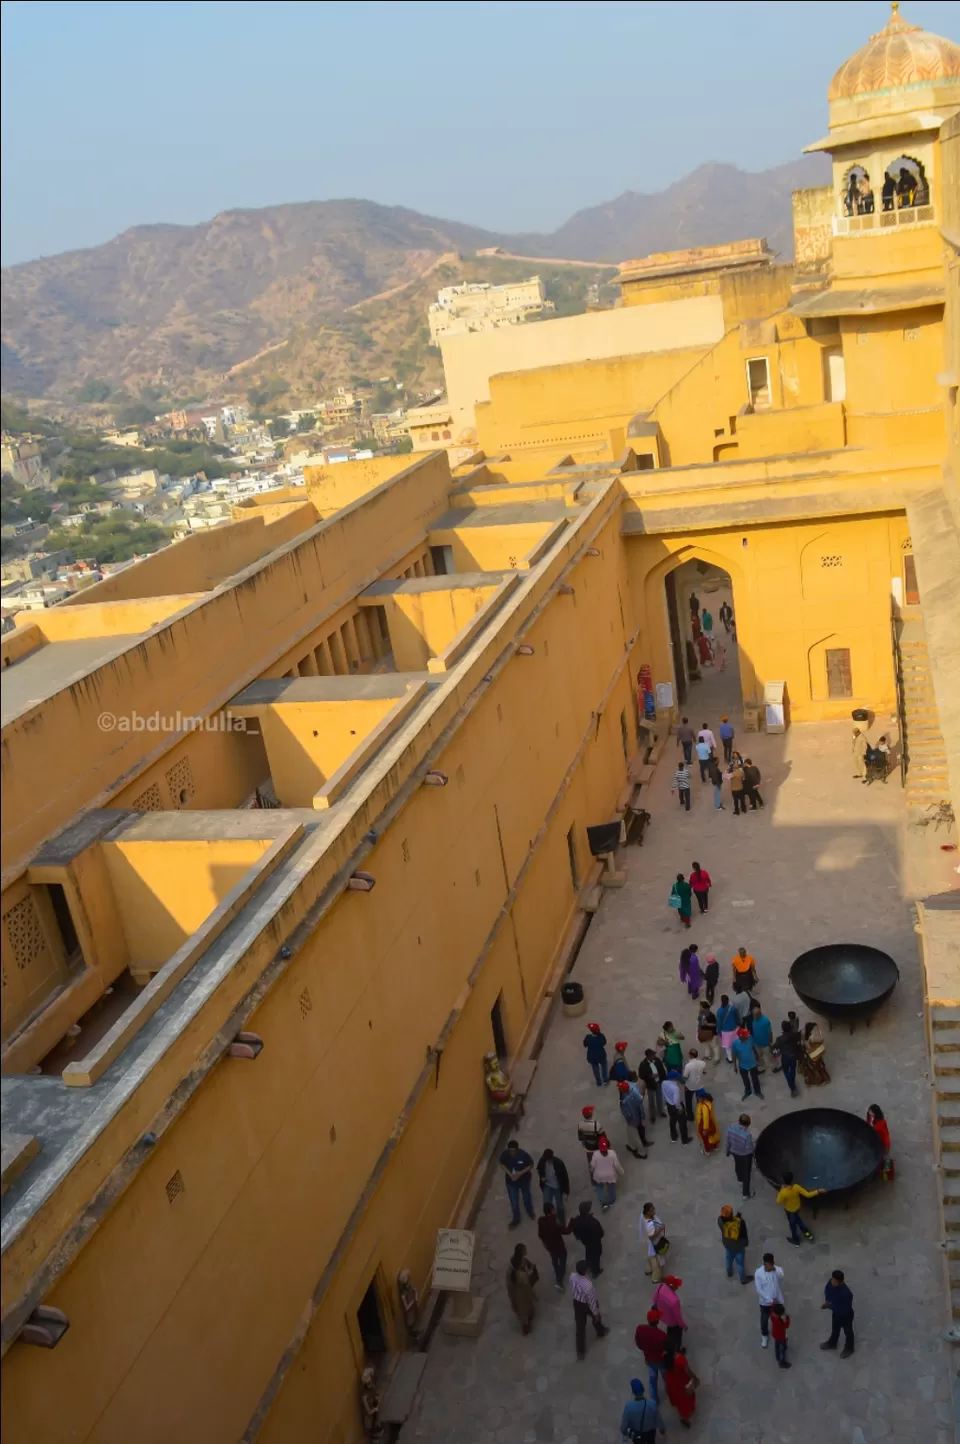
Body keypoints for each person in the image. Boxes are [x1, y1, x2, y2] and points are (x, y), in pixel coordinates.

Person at [570, 1258, 609, 1360]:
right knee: (596, 1318)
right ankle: (601, 1331)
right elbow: (591, 1301)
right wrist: (595, 1313)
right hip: (586, 1304)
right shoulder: (588, 1285)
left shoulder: (572, 1276)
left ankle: (580, 1351)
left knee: (580, 1327)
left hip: (576, 1303)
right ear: (585, 1271)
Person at [777, 1170, 823, 1244]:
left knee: (793, 1226)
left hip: (790, 1210)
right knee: (798, 1220)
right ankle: (808, 1235)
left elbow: (778, 1201)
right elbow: (808, 1195)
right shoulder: (796, 1187)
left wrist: (782, 1189)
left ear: (783, 1180)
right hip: (797, 1208)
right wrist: (818, 1191)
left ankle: (796, 1240)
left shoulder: (784, 1192)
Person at [634, 1309, 668, 1407]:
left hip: (649, 1359)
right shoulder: (661, 1335)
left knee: (652, 1379)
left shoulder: (640, 1329)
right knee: (666, 1377)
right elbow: (665, 1348)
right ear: (657, 1321)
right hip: (660, 1360)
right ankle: (670, 1392)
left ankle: (654, 1400)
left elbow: (638, 1344)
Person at [500, 1139, 536, 1228]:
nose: (511, 1153)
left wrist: (520, 1173)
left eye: (513, 1151)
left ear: (517, 1149)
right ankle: (516, 1218)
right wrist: (509, 1174)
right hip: (511, 1182)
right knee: (514, 1202)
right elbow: (501, 1164)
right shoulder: (505, 1155)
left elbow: (531, 1165)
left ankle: (530, 1211)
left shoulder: (523, 1155)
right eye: (510, 1151)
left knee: (526, 1197)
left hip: (524, 1181)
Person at [754, 1252, 785, 1350]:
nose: (767, 1268)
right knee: (764, 1320)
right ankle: (764, 1335)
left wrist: (775, 1270)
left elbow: (781, 1276)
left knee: (780, 1318)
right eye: (766, 1265)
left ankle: (783, 1333)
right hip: (765, 1303)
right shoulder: (758, 1273)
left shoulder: (777, 1270)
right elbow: (759, 1289)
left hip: (778, 1301)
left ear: (773, 1263)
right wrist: (770, 1299)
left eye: (769, 1265)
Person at [505, 1242, 538, 1334]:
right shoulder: (519, 1274)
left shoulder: (516, 1261)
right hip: (521, 1292)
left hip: (520, 1290)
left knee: (526, 1306)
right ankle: (525, 1327)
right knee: (523, 1309)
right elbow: (525, 1284)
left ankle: (530, 1316)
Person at [537, 1201, 571, 1289]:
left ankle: (558, 1274)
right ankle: (559, 1279)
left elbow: (540, 1235)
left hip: (549, 1246)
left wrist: (544, 1243)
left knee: (554, 1260)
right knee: (563, 1259)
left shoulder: (541, 1221)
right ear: (551, 1211)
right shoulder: (553, 1223)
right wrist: (572, 1222)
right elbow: (566, 1231)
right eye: (554, 1209)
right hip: (558, 1245)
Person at [619, 1378, 665, 1442]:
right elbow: (658, 1418)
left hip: (637, 1434)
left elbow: (624, 1425)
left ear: (633, 1392)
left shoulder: (629, 1407)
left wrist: (625, 1432)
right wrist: (661, 1428)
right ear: (643, 1390)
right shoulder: (652, 1404)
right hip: (650, 1433)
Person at [821, 1269, 855, 1357]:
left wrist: (829, 1305)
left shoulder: (846, 1294)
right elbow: (827, 1291)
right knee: (835, 1329)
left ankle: (849, 1348)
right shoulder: (830, 1283)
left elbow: (843, 1308)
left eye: (835, 1281)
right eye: (832, 1279)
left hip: (845, 1315)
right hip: (836, 1313)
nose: (832, 1282)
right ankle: (832, 1343)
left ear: (841, 1282)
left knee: (848, 1332)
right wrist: (828, 1301)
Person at [663, 1347, 698, 1430]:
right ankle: (685, 1416)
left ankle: (684, 1417)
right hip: (682, 1382)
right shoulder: (680, 1360)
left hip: (673, 1385)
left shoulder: (666, 1361)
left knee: (680, 1402)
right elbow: (688, 1371)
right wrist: (695, 1378)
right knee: (687, 1398)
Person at [651, 1275, 686, 1352]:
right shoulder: (675, 1301)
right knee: (677, 1335)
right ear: (672, 1286)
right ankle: (677, 1349)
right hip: (672, 1321)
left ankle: (669, 1344)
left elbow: (654, 1299)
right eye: (676, 1285)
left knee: (670, 1332)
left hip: (662, 1315)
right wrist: (683, 1325)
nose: (678, 1287)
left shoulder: (661, 1286)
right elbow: (678, 1316)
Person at [571, 1199, 605, 1277]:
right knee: (596, 1255)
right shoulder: (593, 1222)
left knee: (588, 1252)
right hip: (595, 1242)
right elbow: (601, 1233)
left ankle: (588, 1264)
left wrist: (578, 1237)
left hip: (585, 1241)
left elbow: (575, 1231)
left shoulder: (577, 1220)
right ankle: (596, 1271)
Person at [590, 1137, 624, 1211]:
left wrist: (592, 1171)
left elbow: (592, 1165)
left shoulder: (595, 1154)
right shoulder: (612, 1153)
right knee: (611, 1187)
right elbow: (617, 1165)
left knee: (599, 1188)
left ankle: (603, 1203)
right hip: (610, 1175)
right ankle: (612, 1200)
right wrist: (621, 1172)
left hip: (599, 1176)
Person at [536, 1148, 570, 1223]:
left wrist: (566, 1192)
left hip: (557, 1186)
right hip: (547, 1185)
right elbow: (539, 1169)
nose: (548, 1161)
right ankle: (550, 1221)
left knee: (560, 1205)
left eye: (549, 1159)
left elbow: (565, 1178)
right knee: (547, 1205)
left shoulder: (559, 1163)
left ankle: (562, 1222)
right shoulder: (542, 1161)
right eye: (547, 1159)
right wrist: (542, 1177)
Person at [718, 1204, 750, 1283]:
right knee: (740, 1264)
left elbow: (729, 1222)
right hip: (739, 1246)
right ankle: (743, 1279)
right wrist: (739, 1218)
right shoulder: (741, 1223)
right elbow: (743, 1234)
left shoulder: (720, 1221)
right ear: (732, 1214)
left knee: (729, 1259)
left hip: (728, 1245)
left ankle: (729, 1273)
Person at [618, 1080, 651, 1158]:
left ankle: (642, 1153)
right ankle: (631, 1145)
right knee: (630, 1132)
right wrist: (642, 1116)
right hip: (637, 1117)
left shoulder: (624, 1101)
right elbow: (640, 1106)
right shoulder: (634, 1094)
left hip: (632, 1120)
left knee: (635, 1136)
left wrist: (628, 1119)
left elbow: (626, 1113)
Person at [726, 1113, 755, 1198]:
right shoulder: (747, 1135)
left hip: (734, 1152)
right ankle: (745, 1194)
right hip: (745, 1155)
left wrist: (727, 1151)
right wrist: (753, 1154)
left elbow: (727, 1141)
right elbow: (749, 1148)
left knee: (738, 1165)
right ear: (747, 1124)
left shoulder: (730, 1128)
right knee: (747, 1173)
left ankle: (740, 1180)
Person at [733, 1028, 763, 1100]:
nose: (747, 1036)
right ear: (740, 1036)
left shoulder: (750, 1038)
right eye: (745, 1035)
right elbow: (734, 1055)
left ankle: (757, 1091)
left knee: (755, 1079)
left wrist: (757, 1056)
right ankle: (748, 1091)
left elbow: (753, 1047)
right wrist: (735, 1066)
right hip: (742, 1065)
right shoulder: (735, 1043)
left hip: (752, 1063)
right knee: (745, 1080)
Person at [642, 1201, 669, 1282]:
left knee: (651, 1258)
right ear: (647, 1212)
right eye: (652, 1210)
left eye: (654, 1209)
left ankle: (648, 1270)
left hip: (651, 1243)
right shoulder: (650, 1224)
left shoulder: (646, 1217)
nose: (654, 1211)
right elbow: (651, 1237)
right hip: (655, 1243)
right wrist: (660, 1229)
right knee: (659, 1261)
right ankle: (657, 1278)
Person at [662, 1069, 690, 1144]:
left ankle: (673, 1137)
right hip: (676, 1106)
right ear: (674, 1078)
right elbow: (677, 1101)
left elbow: (664, 1094)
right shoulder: (675, 1088)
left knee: (672, 1120)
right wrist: (680, 1109)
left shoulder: (664, 1083)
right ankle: (685, 1140)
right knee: (682, 1123)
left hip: (669, 1105)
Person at [774, 1019, 802, 1097]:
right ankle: (793, 1084)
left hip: (785, 1057)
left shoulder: (779, 1039)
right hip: (793, 1055)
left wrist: (775, 1054)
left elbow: (776, 1048)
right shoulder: (794, 1035)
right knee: (792, 1070)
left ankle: (793, 1087)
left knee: (786, 1072)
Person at [799, 1019, 830, 1085]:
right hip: (815, 1053)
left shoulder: (803, 1035)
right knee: (819, 1067)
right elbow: (822, 1040)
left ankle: (818, 1079)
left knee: (814, 1067)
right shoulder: (812, 1038)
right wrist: (820, 1032)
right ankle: (821, 1080)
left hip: (809, 1053)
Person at [639, 1050, 667, 1120]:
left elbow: (662, 1070)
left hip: (658, 1082)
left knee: (659, 1098)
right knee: (651, 1100)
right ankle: (652, 1115)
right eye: (652, 1055)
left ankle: (660, 1111)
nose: (654, 1056)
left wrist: (662, 1078)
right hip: (650, 1084)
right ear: (648, 1056)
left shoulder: (657, 1060)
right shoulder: (643, 1065)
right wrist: (650, 1076)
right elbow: (641, 1075)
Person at [577, 1105, 603, 1175]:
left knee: (591, 1164)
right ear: (591, 1114)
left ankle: (593, 1179)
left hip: (588, 1148)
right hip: (597, 1147)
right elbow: (602, 1136)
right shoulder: (596, 1124)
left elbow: (580, 1138)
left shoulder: (580, 1125)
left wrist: (585, 1145)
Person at [748, 1003, 774, 1072]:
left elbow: (770, 1033)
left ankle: (774, 1066)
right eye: (754, 1015)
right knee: (759, 1056)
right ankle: (762, 1067)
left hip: (765, 1044)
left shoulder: (765, 1021)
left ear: (759, 1014)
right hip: (757, 1043)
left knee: (769, 1056)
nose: (754, 1017)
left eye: (755, 1015)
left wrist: (770, 1042)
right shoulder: (754, 1019)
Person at [583, 1022, 609, 1087]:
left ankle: (598, 1082)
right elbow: (604, 1043)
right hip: (601, 1055)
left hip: (592, 1056)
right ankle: (605, 1080)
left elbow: (585, 1045)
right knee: (604, 1066)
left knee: (595, 1069)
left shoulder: (588, 1037)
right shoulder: (601, 1037)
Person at [866, 1103, 891, 1170]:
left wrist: (886, 1148)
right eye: (869, 1111)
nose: (869, 1112)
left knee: (883, 1158)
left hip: (880, 1143)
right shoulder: (870, 1118)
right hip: (873, 1141)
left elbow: (885, 1136)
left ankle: (886, 1170)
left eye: (871, 1112)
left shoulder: (881, 1123)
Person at [683, 1049, 707, 1119]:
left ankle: (690, 1116)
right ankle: (700, 1114)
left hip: (690, 1086)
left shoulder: (688, 1065)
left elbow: (685, 1076)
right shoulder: (702, 1063)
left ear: (690, 1055)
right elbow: (704, 1072)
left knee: (688, 1101)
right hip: (699, 1085)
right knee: (699, 1101)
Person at [716, 994, 740, 1063]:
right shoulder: (733, 1009)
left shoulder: (719, 1011)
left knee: (728, 1047)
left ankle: (730, 1059)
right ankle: (737, 1055)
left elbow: (719, 1023)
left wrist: (719, 1032)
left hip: (726, 1032)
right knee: (736, 1043)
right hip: (734, 1029)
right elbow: (737, 1018)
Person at [771, 1302, 791, 1369]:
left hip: (775, 1334)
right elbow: (787, 1325)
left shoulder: (772, 1316)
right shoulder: (780, 1321)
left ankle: (777, 1356)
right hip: (781, 1336)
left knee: (777, 1345)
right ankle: (782, 1362)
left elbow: (772, 1308)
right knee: (782, 1349)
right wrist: (787, 1317)